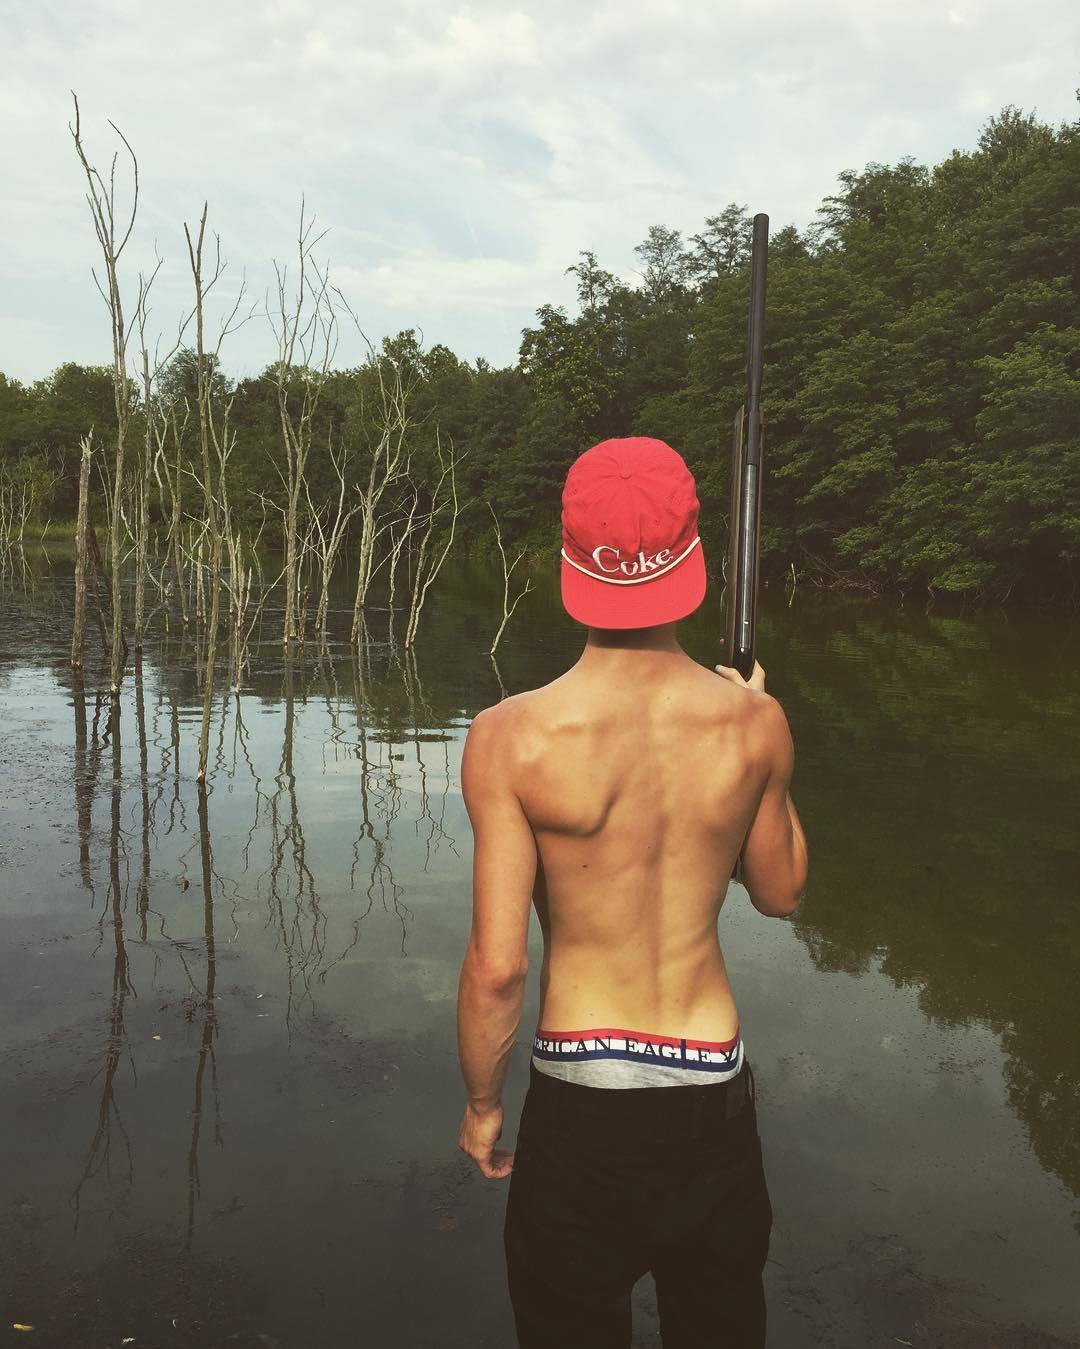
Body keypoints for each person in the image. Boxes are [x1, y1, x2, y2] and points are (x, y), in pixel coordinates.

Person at [456, 436, 807, 1348]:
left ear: (570, 559)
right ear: (693, 558)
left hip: (581, 1095)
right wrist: (763, 737)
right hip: (710, 1087)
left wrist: (484, 1104)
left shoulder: (508, 737)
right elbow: (781, 894)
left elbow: (498, 966)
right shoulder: (756, 723)